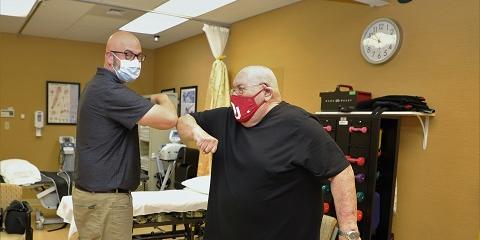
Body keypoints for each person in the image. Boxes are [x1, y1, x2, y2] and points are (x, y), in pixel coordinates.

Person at [177, 65, 360, 240]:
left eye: (240, 89)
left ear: (266, 92)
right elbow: (183, 121)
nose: (234, 95)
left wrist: (349, 232)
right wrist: (196, 132)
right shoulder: (225, 118)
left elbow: (341, 172)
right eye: (233, 90)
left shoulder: (299, 126)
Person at [73, 31, 177, 240]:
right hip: (106, 201)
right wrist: (163, 98)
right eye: (129, 55)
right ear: (110, 57)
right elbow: (168, 118)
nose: (136, 62)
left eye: (139, 57)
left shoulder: (96, 86)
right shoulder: (109, 91)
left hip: (96, 198)